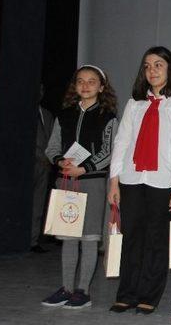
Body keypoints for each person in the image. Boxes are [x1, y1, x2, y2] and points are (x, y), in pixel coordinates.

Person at [108, 46, 171, 315]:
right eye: (147, 66)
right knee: (132, 237)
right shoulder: (136, 103)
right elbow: (121, 142)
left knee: (157, 239)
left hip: (164, 180)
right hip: (132, 178)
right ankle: (127, 293)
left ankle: (149, 295)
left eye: (158, 65)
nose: (152, 70)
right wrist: (114, 181)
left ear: (169, 69)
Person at [41, 65, 118, 308]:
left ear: (101, 87)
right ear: (75, 86)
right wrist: (59, 161)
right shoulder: (64, 115)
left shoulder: (108, 116)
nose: (85, 85)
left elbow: (109, 151)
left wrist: (84, 168)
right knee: (68, 237)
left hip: (92, 183)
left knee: (88, 238)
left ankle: (82, 290)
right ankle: (66, 288)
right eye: (81, 81)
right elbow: (51, 147)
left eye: (92, 81)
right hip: (66, 182)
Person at [32, 85, 54, 253]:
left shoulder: (47, 114)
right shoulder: (22, 113)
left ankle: (33, 241)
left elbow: (52, 141)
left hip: (45, 166)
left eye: (41, 90)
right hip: (28, 165)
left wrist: (51, 159)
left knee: (39, 203)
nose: (39, 93)